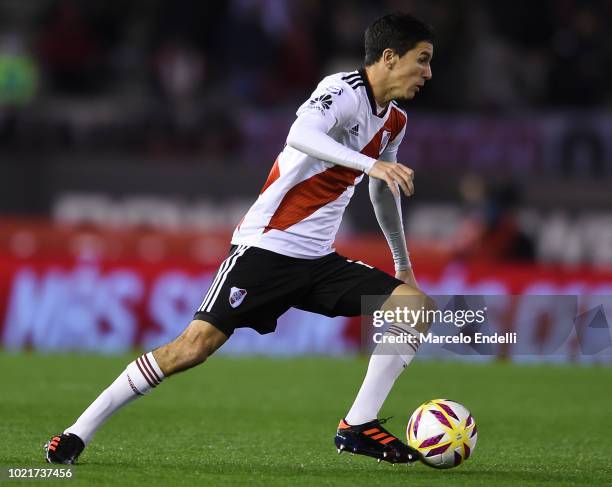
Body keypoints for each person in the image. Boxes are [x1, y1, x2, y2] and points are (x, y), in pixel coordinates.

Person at [45, 12, 434, 466]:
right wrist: (371, 165)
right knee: (192, 348)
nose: (427, 73)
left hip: (318, 261)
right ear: (389, 57)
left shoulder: (396, 121)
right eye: (422, 60)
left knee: (414, 306)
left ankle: (358, 425)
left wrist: (401, 261)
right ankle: (78, 431)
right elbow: (300, 133)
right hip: (266, 248)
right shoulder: (342, 90)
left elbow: (382, 191)